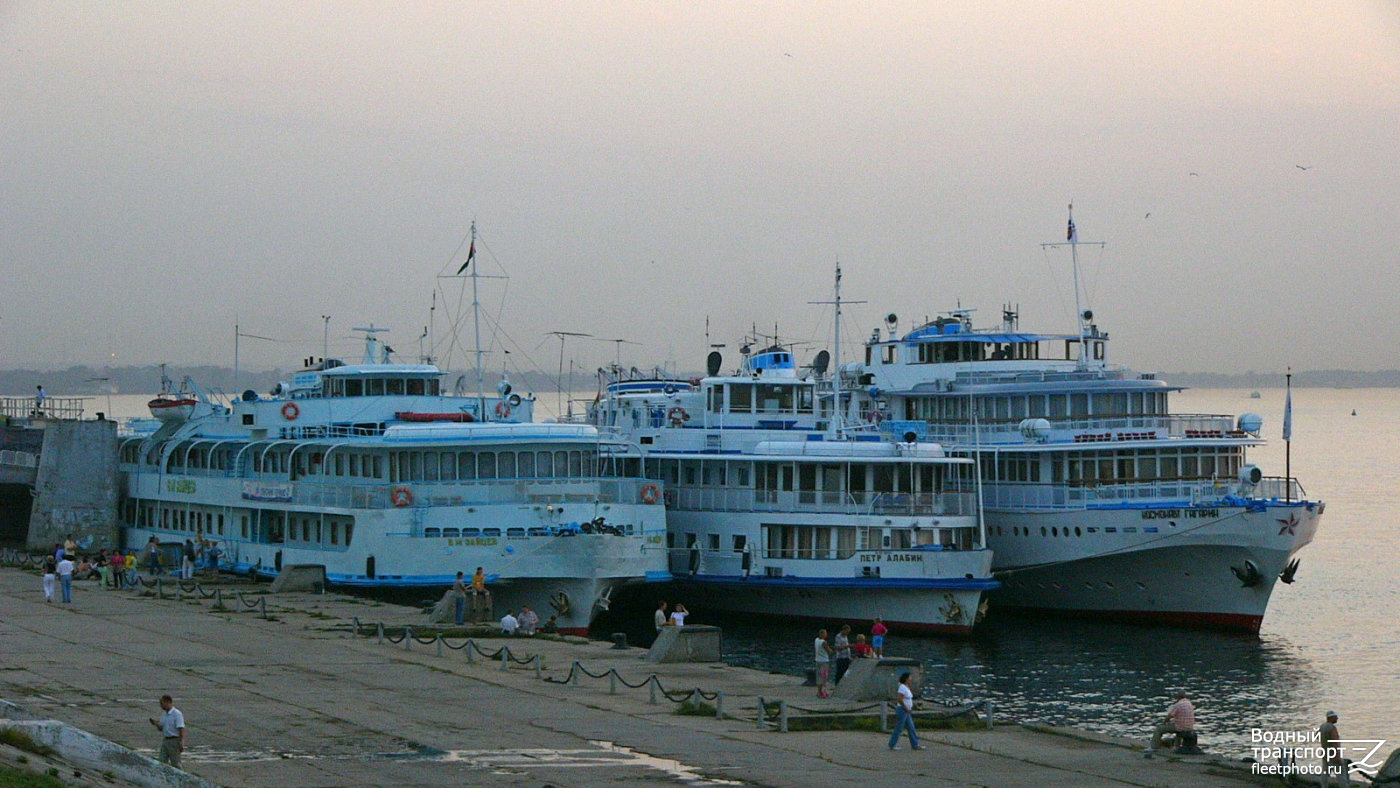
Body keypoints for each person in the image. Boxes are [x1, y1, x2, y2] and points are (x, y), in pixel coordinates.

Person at [888, 672, 925, 750]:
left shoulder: (907, 687)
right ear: (906, 679)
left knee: (911, 727)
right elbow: (900, 699)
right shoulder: (902, 687)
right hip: (902, 710)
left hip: (906, 710)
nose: (911, 679)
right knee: (899, 728)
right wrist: (906, 708)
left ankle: (915, 744)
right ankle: (892, 744)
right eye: (910, 678)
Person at [148, 695, 185, 769]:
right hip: (166, 740)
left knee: (175, 763)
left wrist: (181, 742)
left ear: (168, 702)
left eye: (162, 703)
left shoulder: (177, 714)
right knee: (161, 761)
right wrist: (156, 724)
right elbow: (161, 728)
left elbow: (181, 728)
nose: (161, 706)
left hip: (174, 740)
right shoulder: (164, 714)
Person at [1319, 710, 1348, 787]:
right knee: (1341, 776)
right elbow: (1335, 742)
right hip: (1333, 755)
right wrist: (1337, 756)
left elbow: (1317, 736)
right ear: (1331, 718)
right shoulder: (1332, 728)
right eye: (1335, 717)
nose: (1337, 718)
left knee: (1325, 774)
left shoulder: (1322, 726)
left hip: (1325, 755)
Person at [814, 629, 834, 698]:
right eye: (825, 633)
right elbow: (829, 651)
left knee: (819, 677)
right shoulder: (823, 642)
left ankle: (819, 692)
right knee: (824, 678)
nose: (826, 635)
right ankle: (824, 693)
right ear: (822, 634)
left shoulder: (816, 640)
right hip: (824, 662)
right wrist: (831, 650)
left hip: (817, 661)